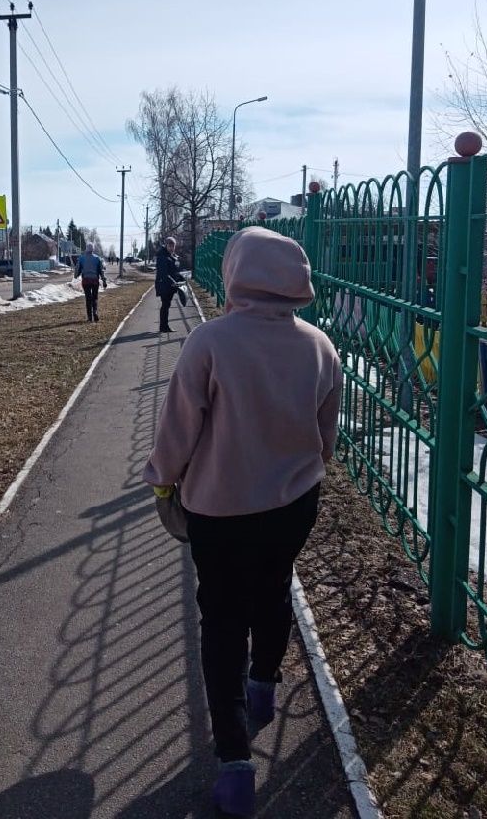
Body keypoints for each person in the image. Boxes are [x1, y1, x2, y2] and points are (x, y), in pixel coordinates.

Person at [143, 226, 343, 817]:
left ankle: (234, 763)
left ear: (235, 274)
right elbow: (326, 436)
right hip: (293, 505)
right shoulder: (319, 345)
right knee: (275, 587)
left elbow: (179, 428)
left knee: (222, 618)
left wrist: (162, 480)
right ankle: (263, 686)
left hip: (219, 511)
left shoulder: (210, 342)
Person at [155, 236, 184, 332]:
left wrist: (180, 278)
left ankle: (164, 326)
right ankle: (164, 327)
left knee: (166, 305)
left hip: (170, 285)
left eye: (173, 246)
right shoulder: (163, 256)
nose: (172, 248)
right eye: (170, 246)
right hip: (164, 285)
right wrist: (173, 282)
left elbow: (174, 271)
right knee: (165, 305)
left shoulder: (171, 256)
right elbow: (164, 273)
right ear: (166, 245)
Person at [74, 242, 107, 322]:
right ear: (93, 249)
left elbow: (77, 268)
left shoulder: (81, 258)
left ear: (86, 249)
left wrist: (76, 275)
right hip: (95, 281)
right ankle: (95, 312)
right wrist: (104, 280)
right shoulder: (97, 258)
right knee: (94, 298)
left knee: (88, 298)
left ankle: (89, 317)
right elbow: (101, 270)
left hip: (86, 281)